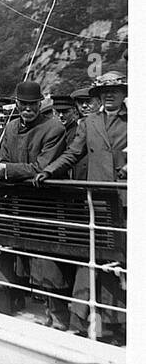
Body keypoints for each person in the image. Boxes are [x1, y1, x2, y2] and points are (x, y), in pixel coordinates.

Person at [36, 72, 127, 339]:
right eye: (104, 92)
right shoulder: (89, 122)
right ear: (98, 97)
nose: (109, 95)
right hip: (98, 201)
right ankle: (82, 320)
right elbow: (73, 153)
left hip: (126, 200)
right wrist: (50, 171)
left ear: (123, 93)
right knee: (93, 259)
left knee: (119, 261)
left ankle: (114, 324)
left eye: (115, 90)